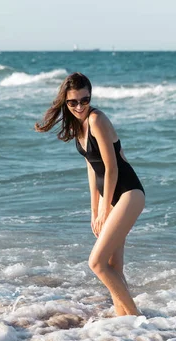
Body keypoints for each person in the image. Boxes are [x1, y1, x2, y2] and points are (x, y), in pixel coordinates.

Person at [35, 72, 145, 317]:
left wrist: (106, 209)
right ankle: (123, 319)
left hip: (128, 193)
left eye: (84, 100)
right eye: (73, 102)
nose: (79, 106)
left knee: (96, 263)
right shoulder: (78, 125)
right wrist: (94, 210)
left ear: (90, 97)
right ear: (65, 102)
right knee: (113, 265)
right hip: (110, 196)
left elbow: (112, 167)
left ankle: (137, 317)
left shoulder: (97, 120)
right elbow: (92, 169)